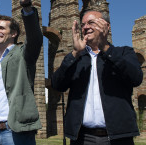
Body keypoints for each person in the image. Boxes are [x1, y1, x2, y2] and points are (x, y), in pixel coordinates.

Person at [51, 10, 143, 145]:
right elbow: (57, 84)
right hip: (82, 137)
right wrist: (75, 53)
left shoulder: (123, 52)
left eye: (91, 22)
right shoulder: (76, 58)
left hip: (118, 137)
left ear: (107, 26)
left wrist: (105, 48)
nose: (86, 27)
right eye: (83, 25)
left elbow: (136, 78)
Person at [0, 0, 43, 145]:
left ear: (14, 33)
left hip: (15, 131)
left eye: (1, 28)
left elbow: (35, 39)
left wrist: (26, 5)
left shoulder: (23, 54)